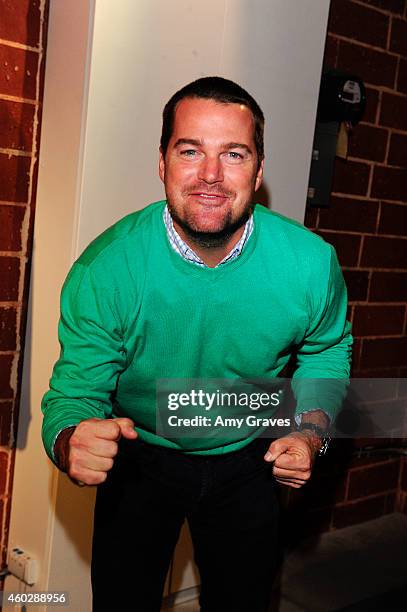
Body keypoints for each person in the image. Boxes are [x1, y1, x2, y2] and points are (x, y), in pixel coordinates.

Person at [42, 76, 352, 612]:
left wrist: (309, 431)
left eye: (234, 154)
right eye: (191, 151)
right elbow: (74, 395)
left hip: (248, 456)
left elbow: (327, 349)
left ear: (258, 171)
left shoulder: (309, 264)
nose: (210, 175)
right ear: (162, 162)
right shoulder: (106, 270)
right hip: (140, 454)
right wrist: (71, 439)